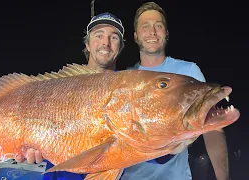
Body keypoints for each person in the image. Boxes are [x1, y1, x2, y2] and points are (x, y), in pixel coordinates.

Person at [121, 2, 229, 180]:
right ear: (136, 36)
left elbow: (212, 130)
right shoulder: (125, 78)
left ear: (167, 33)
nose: (152, 32)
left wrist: (223, 178)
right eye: (145, 27)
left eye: (159, 26)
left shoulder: (189, 73)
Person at [15, 12, 125, 179]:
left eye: (114, 37)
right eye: (99, 35)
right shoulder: (63, 83)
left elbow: (153, 145)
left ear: (120, 47)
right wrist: (27, 143)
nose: (106, 42)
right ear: (88, 44)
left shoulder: (128, 87)